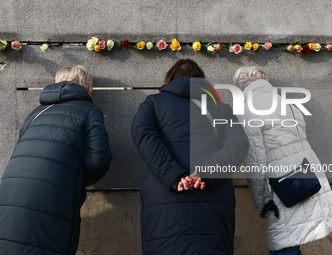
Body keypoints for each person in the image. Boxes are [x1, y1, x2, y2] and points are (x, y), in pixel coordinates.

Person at [131, 59, 249, 254]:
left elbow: (142, 134)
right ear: (202, 81)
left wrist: (175, 176)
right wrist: (204, 174)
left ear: (169, 80)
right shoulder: (221, 108)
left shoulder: (153, 103)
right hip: (212, 199)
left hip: (164, 196)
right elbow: (238, 145)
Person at [0, 65, 113, 254]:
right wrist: (75, 180)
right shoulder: (89, 111)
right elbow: (99, 159)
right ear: (87, 85)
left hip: (10, 191)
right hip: (54, 194)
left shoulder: (35, 113)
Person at [233, 66, 332, 254]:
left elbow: (255, 162)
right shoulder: (288, 104)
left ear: (241, 87)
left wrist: (261, 204)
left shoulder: (246, 109)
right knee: (293, 238)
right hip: (306, 175)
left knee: (284, 242)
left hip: (279, 184)